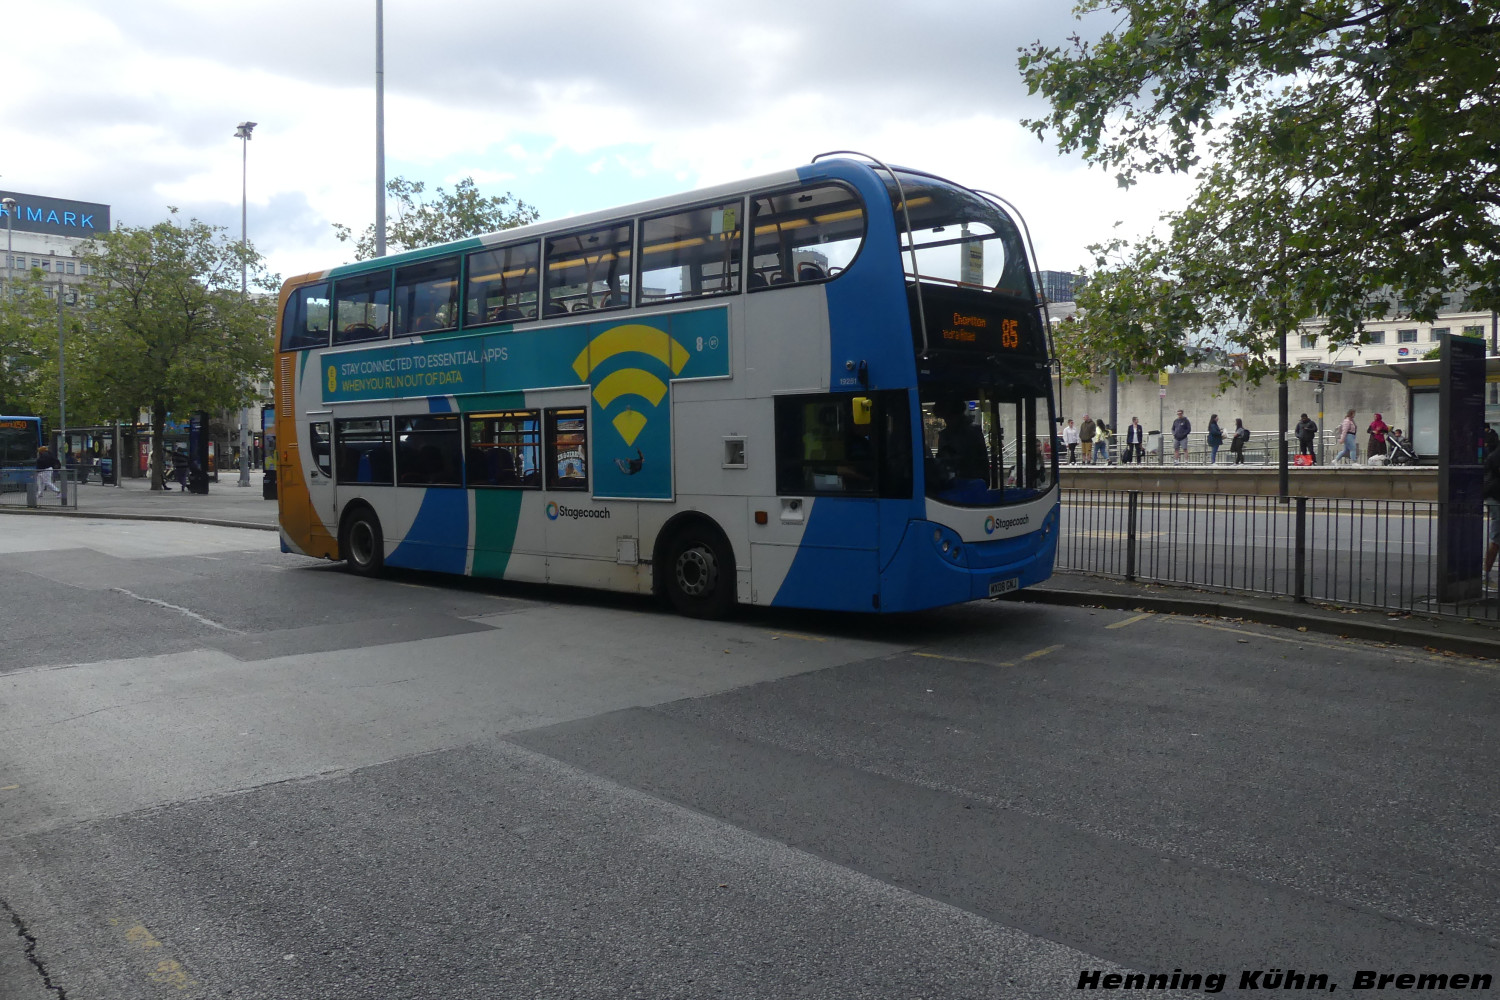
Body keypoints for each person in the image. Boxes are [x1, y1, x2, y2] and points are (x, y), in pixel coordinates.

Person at [934, 397, 989, 482]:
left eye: (948, 417)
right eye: (944, 418)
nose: (947, 421)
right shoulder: (946, 434)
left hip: (969, 482)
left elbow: (973, 462)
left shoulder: (971, 433)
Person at [1485, 442, 1500, 589]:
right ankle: (1486, 575)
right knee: (1496, 539)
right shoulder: (1496, 455)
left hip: (1495, 496)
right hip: (1496, 497)